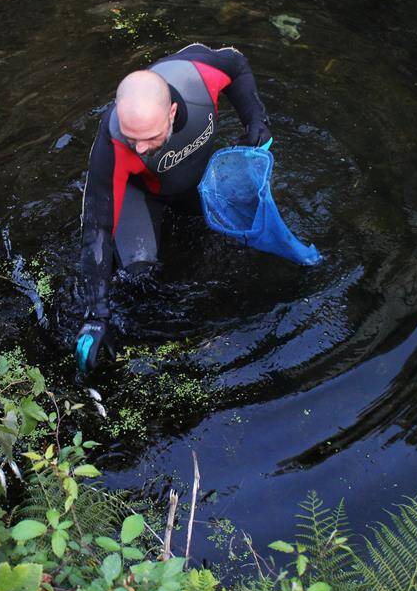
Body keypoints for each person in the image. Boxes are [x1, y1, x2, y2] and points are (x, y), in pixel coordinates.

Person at [74, 43, 271, 373]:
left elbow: (238, 65)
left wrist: (255, 119)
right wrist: (95, 315)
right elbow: (98, 226)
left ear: (172, 113)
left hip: (199, 179)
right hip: (144, 195)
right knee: (140, 281)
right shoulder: (112, 142)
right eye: (131, 136)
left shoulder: (199, 74)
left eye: (149, 137)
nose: (139, 147)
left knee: (238, 248)